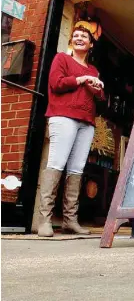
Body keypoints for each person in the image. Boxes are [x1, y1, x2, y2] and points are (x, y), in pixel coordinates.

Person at [38, 25, 106, 237]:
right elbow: (56, 84)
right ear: (71, 42)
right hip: (63, 117)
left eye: (84, 37)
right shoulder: (62, 59)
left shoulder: (93, 70)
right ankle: (45, 221)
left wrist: (97, 87)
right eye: (75, 36)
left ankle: (70, 220)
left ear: (91, 44)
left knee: (76, 169)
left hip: (86, 122)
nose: (79, 39)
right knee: (56, 164)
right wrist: (81, 79)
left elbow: (100, 98)